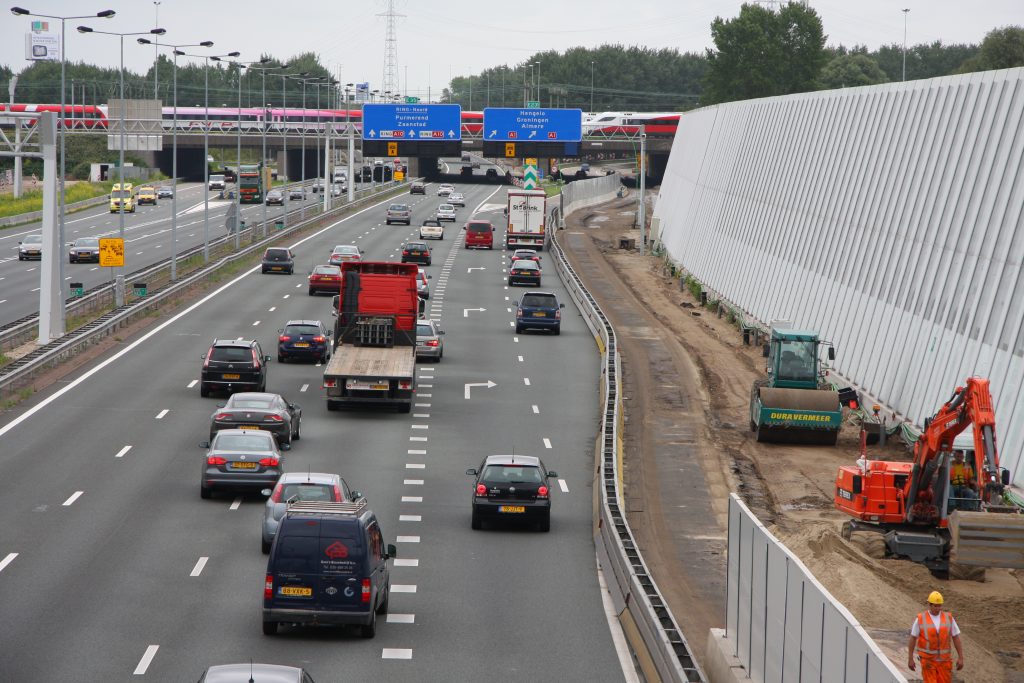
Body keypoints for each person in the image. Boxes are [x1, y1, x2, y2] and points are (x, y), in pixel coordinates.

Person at [907, 591, 964, 682]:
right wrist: (910, 659)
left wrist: (960, 657)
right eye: (935, 606)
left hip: (944, 662)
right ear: (929, 605)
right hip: (928, 661)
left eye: (940, 605)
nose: (938, 608)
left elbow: (956, 637)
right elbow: (913, 638)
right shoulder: (921, 619)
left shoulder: (948, 618)